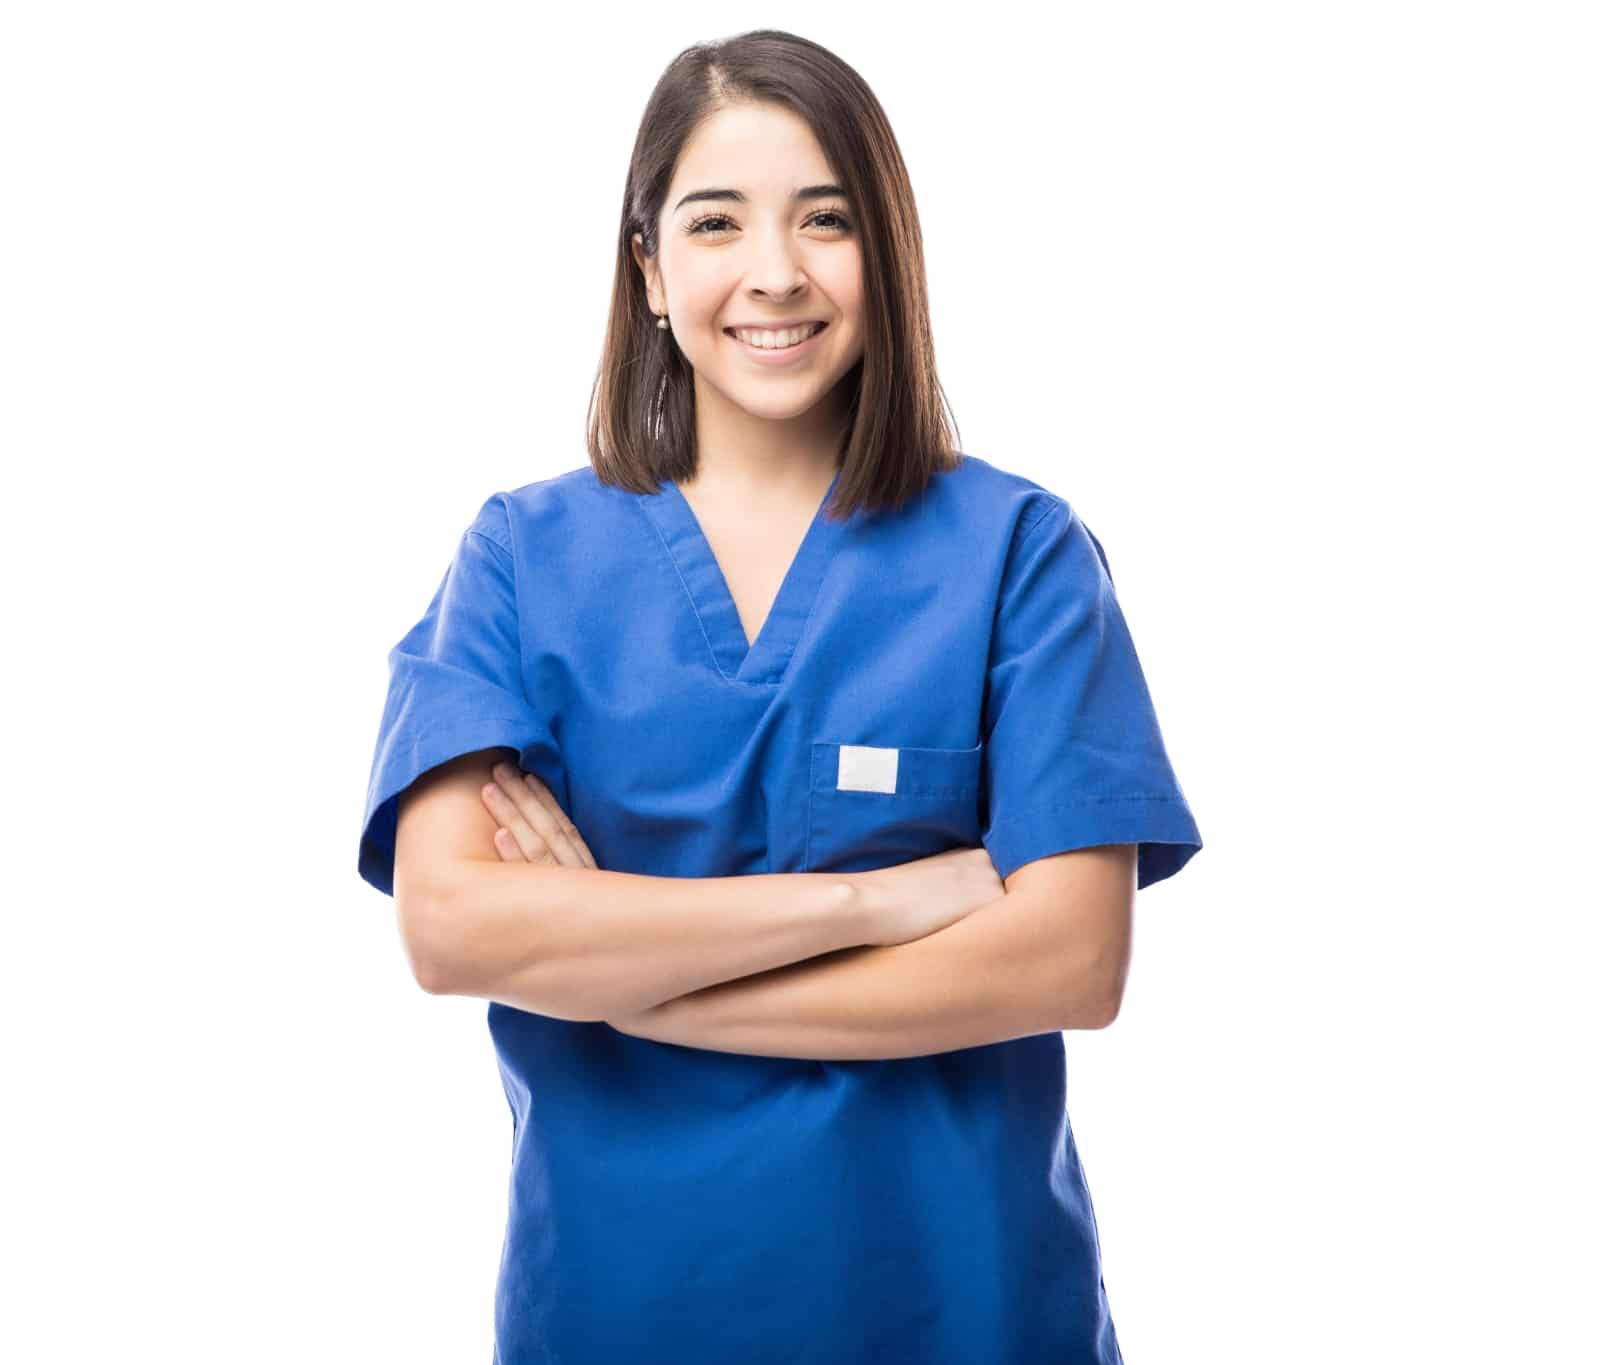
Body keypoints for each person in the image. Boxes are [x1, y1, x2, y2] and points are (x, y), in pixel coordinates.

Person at [356, 28, 1202, 1365]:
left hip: (959, 1317)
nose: (774, 273)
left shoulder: (1018, 554)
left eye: (827, 219)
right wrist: (882, 898)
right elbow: (453, 924)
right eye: (714, 222)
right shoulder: (523, 560)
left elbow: (1070, 958)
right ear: (647, 272)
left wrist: (637, 986)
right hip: (621, 1313)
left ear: (890, 254)